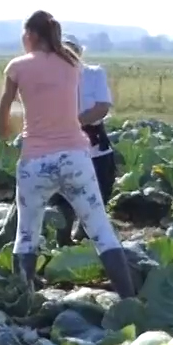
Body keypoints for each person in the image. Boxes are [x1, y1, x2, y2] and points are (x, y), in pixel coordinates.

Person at [0, 11, 138, 298]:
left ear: (32, 35)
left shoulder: (17, 67)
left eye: (24, 35)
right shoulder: (72, 63)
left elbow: (3, 113)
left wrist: (3, 129)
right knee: (101, 229)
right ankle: (129, 299)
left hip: (35, 161)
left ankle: (22, 299)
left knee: (26, 235)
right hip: (75, 157)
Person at [55, 39, 119, 244]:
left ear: (79, 53)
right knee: (63, 194)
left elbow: (102, 107)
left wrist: (74, 122)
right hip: (63, 143)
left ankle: (84, 233)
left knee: (101, 188)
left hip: (93, 141)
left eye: (72, 50)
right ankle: (63, 239)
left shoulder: (94, 74)